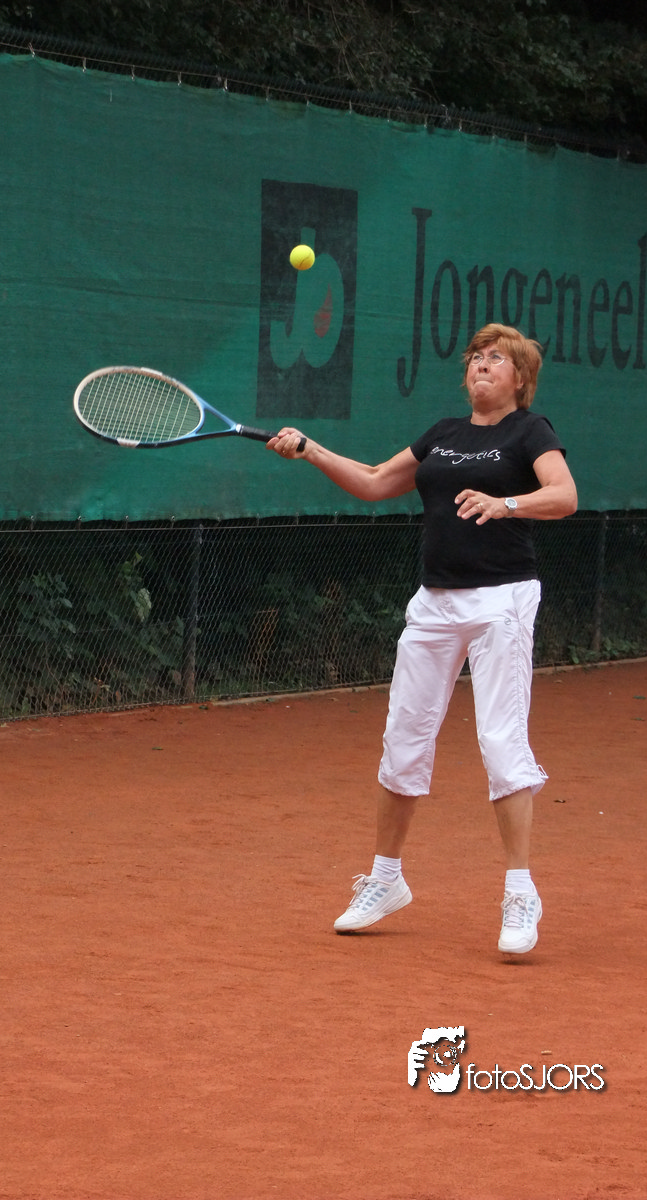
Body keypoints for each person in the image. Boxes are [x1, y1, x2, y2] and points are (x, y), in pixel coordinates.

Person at [267, 323, 577, 955]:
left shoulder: (530, 432)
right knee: (403, 739)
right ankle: (385, 879)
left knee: (501, 741)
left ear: (520, 378)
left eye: (497, 358)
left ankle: (520, 892)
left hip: (501, 600)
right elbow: (376, 480)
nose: (482, 365)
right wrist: (312, 451)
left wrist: (506, 504)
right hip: (434, 602)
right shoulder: (442, 433)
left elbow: (564, 495)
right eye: (476, 357)